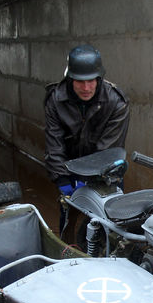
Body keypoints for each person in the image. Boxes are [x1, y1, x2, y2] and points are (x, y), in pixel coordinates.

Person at [44, 44, 129, 196]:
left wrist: (88, 181)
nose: (86, 88)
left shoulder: (116, 103)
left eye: (91, 81)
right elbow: (54, 146)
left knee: (107, 216)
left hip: (106, 171)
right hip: (69, 169)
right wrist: (62, 179)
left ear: (99, 78)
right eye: (80, 81)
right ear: (70, 78)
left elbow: (108, 151)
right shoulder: (56, 100)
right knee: (68, 214)